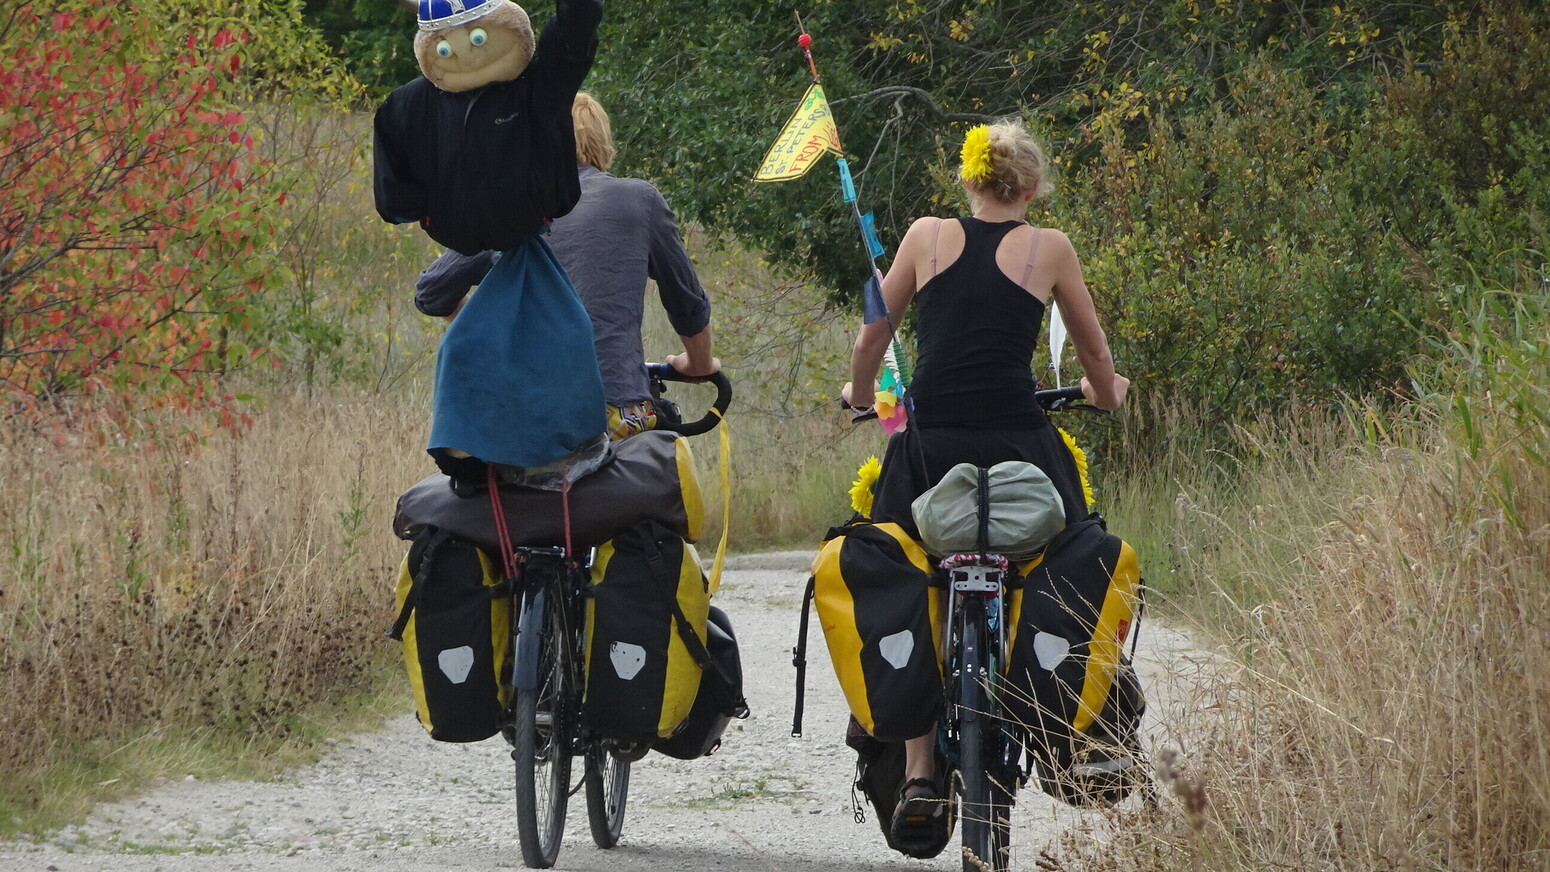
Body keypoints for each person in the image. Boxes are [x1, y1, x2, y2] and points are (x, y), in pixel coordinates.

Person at [840, 120, 1129, 853]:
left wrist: (861, 392)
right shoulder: (1049, 247)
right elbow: (1094, 352)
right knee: (1073, 551)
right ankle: (1077, 734)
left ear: (968, 182)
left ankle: (917, 772)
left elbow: (875, 329)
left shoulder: (925, 237)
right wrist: (1105, 393)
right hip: (1019, 444)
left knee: (902, 562)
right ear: (1031, 189)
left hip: (930, 448)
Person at [414, 93, 719, 441]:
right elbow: (687, 304)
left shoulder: (510, 206)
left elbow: (432, 292)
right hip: (612, 408)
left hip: (520, 421)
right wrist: (698, 365)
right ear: (603, 144)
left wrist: (486, 327)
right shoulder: (640, 200)